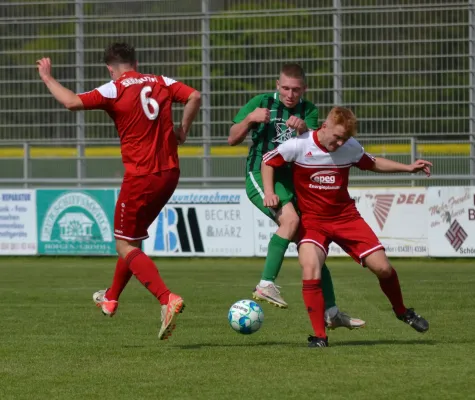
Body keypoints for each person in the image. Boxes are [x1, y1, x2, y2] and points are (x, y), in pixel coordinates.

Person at [37, 42, 201, 340]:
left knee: (124, 245)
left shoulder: (115, 88)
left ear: (110, 68)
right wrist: (183, 130)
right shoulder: (160, 81)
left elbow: (72, 102)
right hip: (170, 173)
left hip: (141, 177)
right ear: (135, 62)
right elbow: (194, 96)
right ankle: (111, 297)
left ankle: (167, 299)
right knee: (132, 239)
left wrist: (48, 78)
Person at [262, 106, 430, 347]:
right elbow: (268, 161)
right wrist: (269, 191)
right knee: (310, 268)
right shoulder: (299, 145)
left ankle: (403, 311)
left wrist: (408, 168)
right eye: (337, 136)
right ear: (325, 126)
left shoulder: (349, 147)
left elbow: (372, 162)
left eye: (345, 138)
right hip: (313, 221)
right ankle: (319, 336)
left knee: (383, 268)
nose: (340, 143)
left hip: (346, 218)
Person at [229, 63, 365, 329]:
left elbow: (315, 144)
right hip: (261, 174)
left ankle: (332, 311)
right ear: (277, 85)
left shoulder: (310, 111)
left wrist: (303, 128)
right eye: (286, 88)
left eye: (296, 89)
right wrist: (249, 119)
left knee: (311, 247)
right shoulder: (261, 102)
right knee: (290, 221)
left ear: (304, 89)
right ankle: (266, 284)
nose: (290, 94)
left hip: (293, 183)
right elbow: (232, 138)